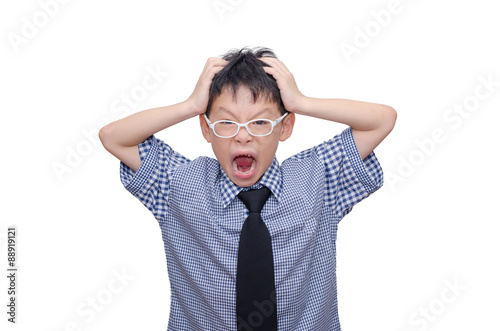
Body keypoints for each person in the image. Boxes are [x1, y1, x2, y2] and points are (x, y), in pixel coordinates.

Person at [99, 47, 397, 330]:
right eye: (227, 122)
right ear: (206, 128)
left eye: (260, 122)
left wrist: (301, 102)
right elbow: (114, 137)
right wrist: (190, 105)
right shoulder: (179, 184)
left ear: (286, 127)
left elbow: (382, 120)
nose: (243, 136)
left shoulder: (318, 177)